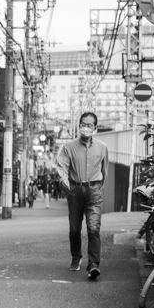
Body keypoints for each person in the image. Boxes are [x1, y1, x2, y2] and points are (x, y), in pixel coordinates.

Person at [54, 111, 108, 280]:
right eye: (83, 124)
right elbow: (61, 166)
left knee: (93, 228)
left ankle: (93, 264)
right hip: (75, 190)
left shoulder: (102, 147)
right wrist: (64, 180)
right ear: (79, 126)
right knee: (75, 228)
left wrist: (98, 188)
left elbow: (104, 171)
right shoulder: (68, 147)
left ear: (95, 128)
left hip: (94, 190)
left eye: (89, 125)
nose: (85, 128)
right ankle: (76, 257)